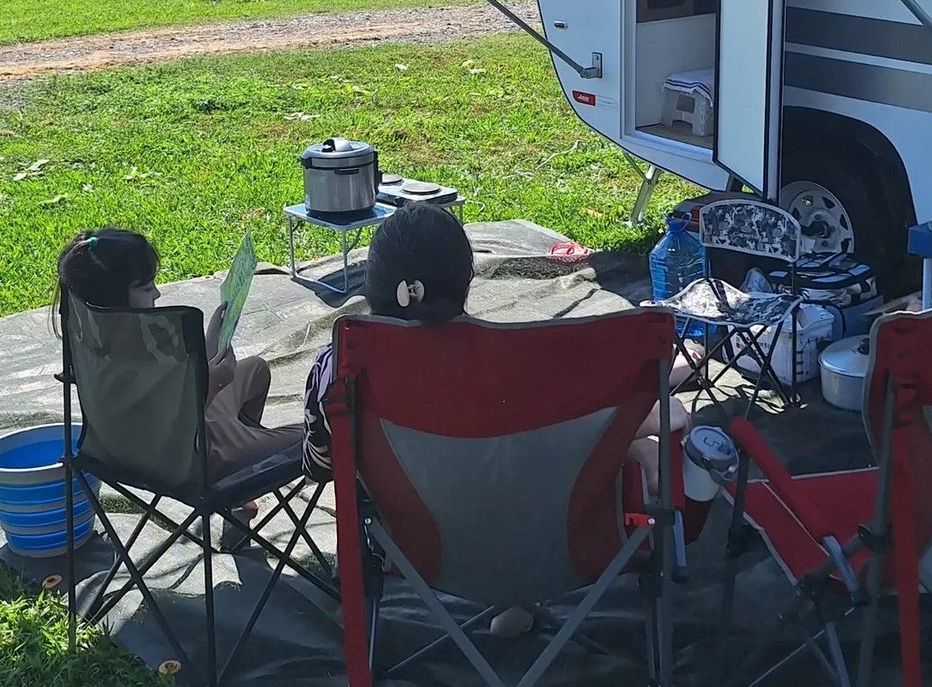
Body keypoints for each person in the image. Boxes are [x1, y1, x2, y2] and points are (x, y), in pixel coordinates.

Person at [303, 203, 689, 637]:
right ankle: (519, 602)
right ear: (466, 281)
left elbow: (320, 465)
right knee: (545, 452)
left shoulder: (338, 370)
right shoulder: (523, 369)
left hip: (418, 555)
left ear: (372, 288)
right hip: (558, 549)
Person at [55, 228, 300, 486]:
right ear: (116, 296)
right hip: (187, 461)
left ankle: (244, 446)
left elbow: (179, 397)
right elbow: (172, 425)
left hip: (139, 445)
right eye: (147, 288)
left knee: (255, 369)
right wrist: (213, 383)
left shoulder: (96, 343)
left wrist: (211, 342)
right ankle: (239, 478)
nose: (157, 294)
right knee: (316, 437)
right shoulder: (136, 362)